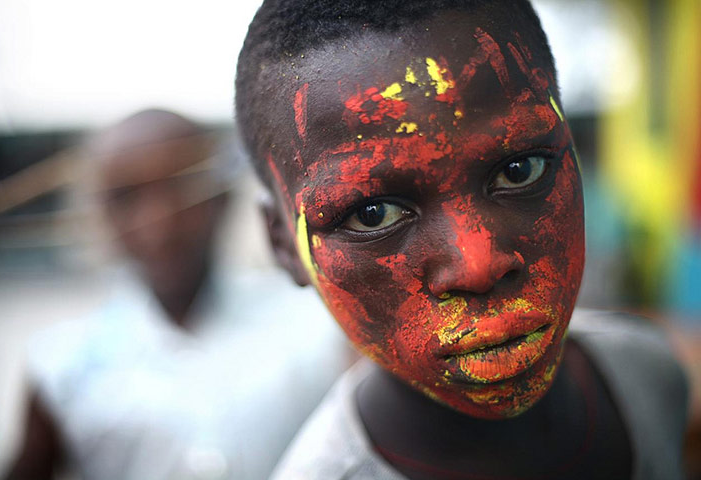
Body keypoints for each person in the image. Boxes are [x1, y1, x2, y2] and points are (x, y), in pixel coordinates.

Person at [234, 1, 689, 479]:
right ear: (284, 246)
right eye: (373, 215)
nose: (478, 263)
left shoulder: (647, 378)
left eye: (520, 170)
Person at [0, 109, 347, 480]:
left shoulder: (319, 325)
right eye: (125, 198)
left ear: (223, 196)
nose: (158, 223)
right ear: (101, 214)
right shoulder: (63, 365)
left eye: (181, 189)